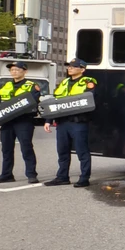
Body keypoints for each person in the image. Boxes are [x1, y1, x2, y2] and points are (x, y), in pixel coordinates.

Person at [43, 58, 97, 188]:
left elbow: (89, 100)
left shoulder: (88, 83)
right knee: (62, 151)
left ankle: (84, 178)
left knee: (82, 151)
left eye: (73, 66)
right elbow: (55, 102)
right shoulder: (64, 82)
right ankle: (62, 177)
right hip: (62, 122)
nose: (70, 68)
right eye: (69, 66)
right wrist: (48, 120)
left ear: (82, 69)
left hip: (78, 122)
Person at [0, 61, 40, 184]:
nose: (14, 72)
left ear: (25, 71)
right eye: (12, 70)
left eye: (17, 69)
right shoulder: (5, 86)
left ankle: (31, 174)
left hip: (23, 121)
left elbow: (33, 101)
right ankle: (6, 175)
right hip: (7, 122)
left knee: (26, 148)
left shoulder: (32, 86)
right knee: (6, 149)